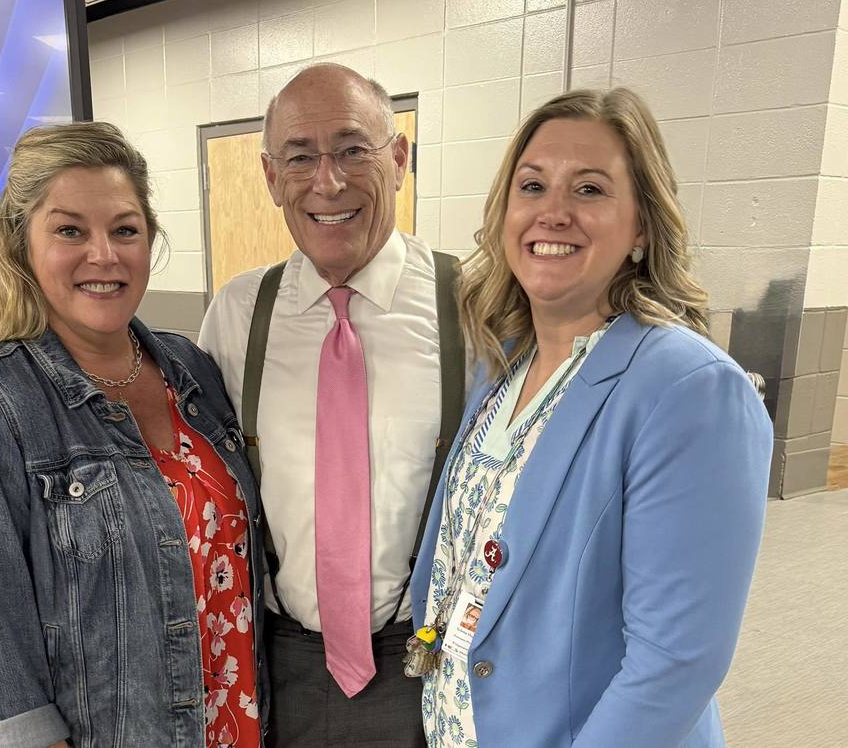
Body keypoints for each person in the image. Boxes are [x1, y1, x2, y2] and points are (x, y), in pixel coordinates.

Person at [410, 87, 773, 748]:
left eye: (589, 190)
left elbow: (674, 664)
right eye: (533, 185)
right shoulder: (503, 367)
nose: (553, 212)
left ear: (641, 225)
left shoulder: (689, 390)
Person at [0, 122, 268, 748]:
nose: (104, 254)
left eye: (125, 229)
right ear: (22, 246)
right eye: (70, 230)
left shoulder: (190, 372)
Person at [198, 63, 465, 747]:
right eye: (300, 157)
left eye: (353, 149)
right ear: (268, 176)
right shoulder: (236, 314)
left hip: (425, 659)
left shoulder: (472, 306)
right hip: (275, 663)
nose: (328, 181)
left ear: (399, 158)